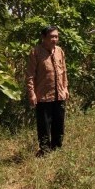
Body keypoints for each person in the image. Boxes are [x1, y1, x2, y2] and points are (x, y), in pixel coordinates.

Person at [26, 26, 69, 156]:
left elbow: (64, 72)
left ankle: (57, 149)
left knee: (59, 124)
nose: (54, 39)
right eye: (51, 37)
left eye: (56, 36)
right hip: (43, 96)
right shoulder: (36, 52)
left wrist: (65, 88)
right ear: (43, 38)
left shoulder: (59, 51)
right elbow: (30, 75)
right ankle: (44, 151)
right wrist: (32, 93)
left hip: (59, 94)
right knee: (44, 125)